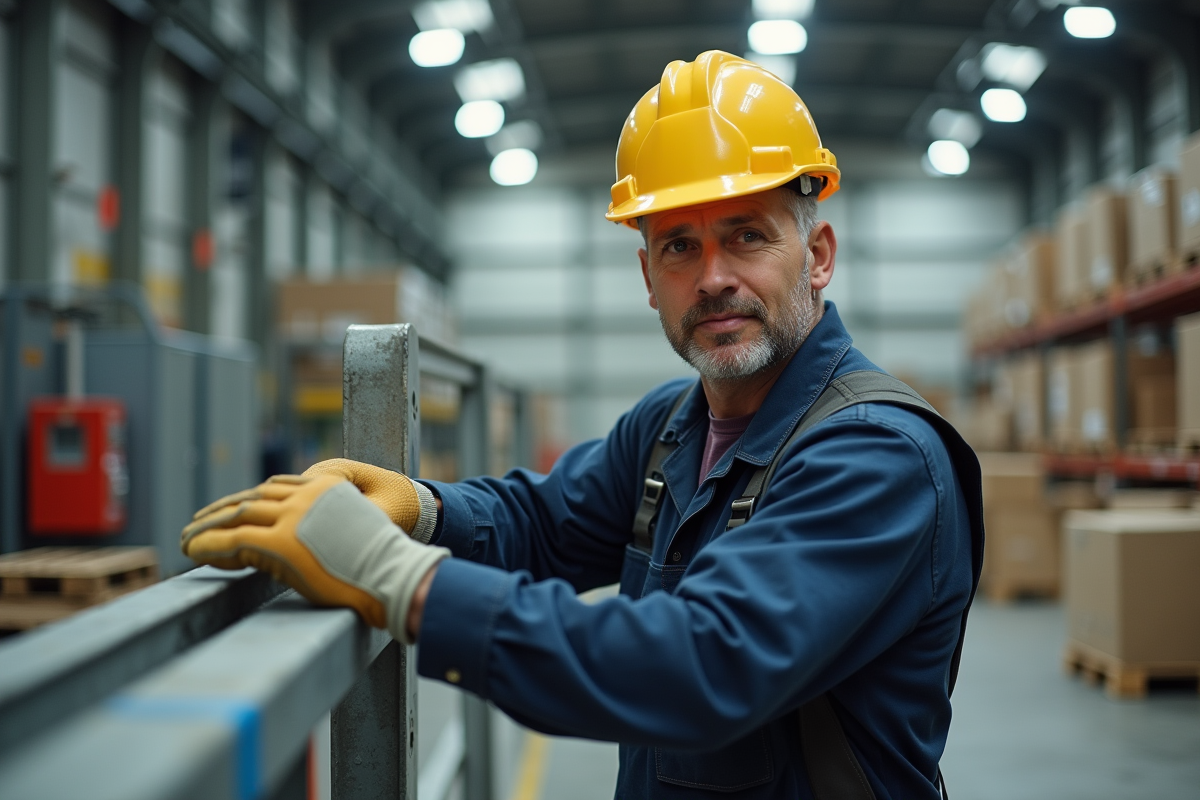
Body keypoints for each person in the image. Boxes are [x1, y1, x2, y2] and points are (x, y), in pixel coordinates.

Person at [182, 51, 983, 800]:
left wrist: (400, 580)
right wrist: (421, 511)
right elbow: (545, 523)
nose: (713, 279)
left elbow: (699, 665)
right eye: (679, 246)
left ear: (817, 255)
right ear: (647, 277)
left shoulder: (880, 457)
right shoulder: (671, 429)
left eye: (746, 235)